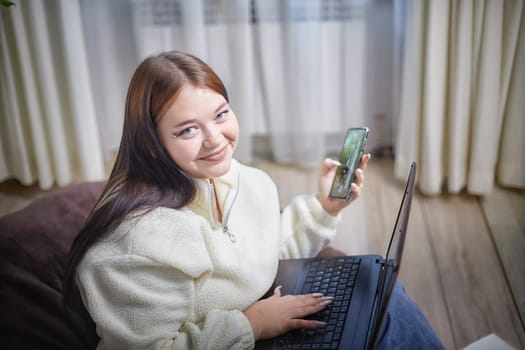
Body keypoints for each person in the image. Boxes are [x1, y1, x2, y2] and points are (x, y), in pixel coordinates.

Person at [64, 51, 444, 349]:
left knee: (378, 292)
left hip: (259, 321)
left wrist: (324, 208)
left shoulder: (237, 180)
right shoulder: (133, 246)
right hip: (244, 336)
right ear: (151, 145)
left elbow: (265, 254)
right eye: (187, 130)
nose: (215, 139)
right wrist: (252, 325)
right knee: (385, 317)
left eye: (221, 114)